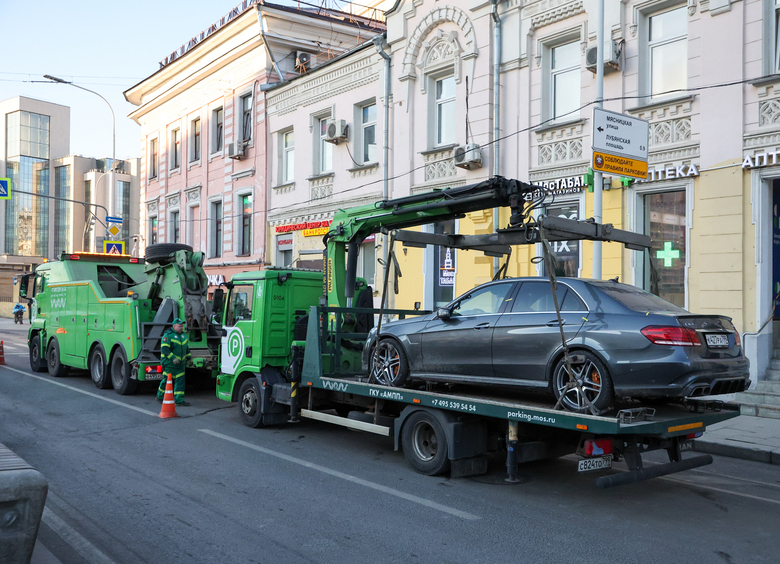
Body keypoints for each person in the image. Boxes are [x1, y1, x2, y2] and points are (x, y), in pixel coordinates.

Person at [157, 318, 191, 406]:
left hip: (180, 364)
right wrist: (173, 358)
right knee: (167, 381)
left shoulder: (183, 336)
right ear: (174, 326)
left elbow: (186, 348)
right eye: (179, 326)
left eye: (182, 326)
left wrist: (189, 358)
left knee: (180, 382)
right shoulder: (168, 336)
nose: (181, 328)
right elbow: (165, 349)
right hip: (169, 364)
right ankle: (160, 396)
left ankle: (179, 400)